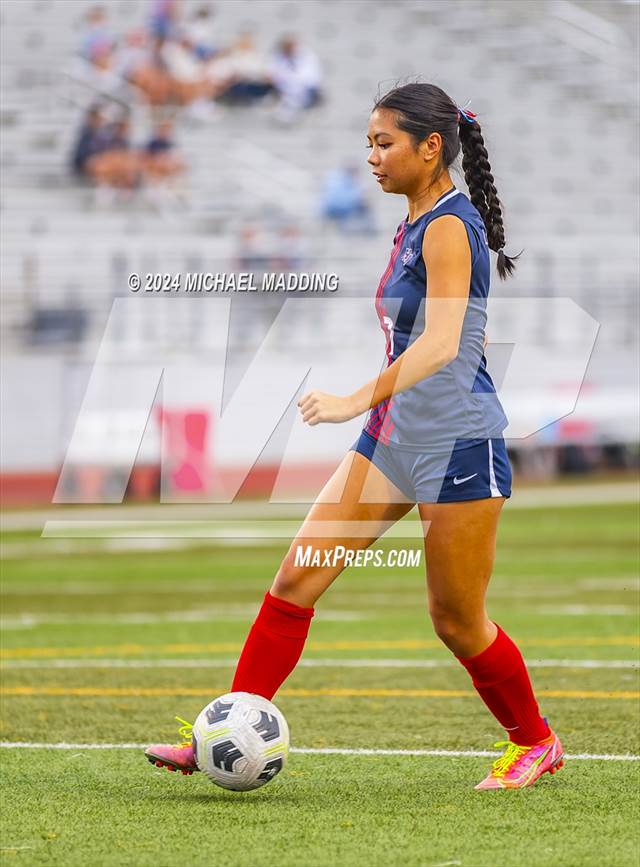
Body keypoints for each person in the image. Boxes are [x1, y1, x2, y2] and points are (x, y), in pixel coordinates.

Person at [144, 82, 564, 790]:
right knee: (295, 579)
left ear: (431, 147)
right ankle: (224, 726)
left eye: (383, 142)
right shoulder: (415, 221)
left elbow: (436, 344)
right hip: (394, 438)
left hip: (456, 446)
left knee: (456, 620)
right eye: (368, 142)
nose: (370, 156)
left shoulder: (448, 226)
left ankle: (537, 740)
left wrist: (351, 399)